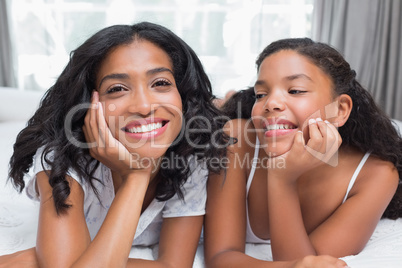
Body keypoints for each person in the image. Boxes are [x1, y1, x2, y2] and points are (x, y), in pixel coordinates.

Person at [1, 22, 229, 267]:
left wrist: (55, 258)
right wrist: (137, 175)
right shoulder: (61, 160)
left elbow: (173, 265)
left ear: (182, 94)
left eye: (160, 83)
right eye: (117, 89)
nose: (143, 106)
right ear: (89, 102)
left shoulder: (190, 155)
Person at [204, 38, 402, 267]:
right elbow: (221, 257)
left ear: (340, 109)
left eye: (295, 90)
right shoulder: (235, 139)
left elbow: (307, 261)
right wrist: (282, 175)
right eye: (260, 94)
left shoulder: (376, 174)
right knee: (216, 112)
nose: (271, 103)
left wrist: (282, 179)